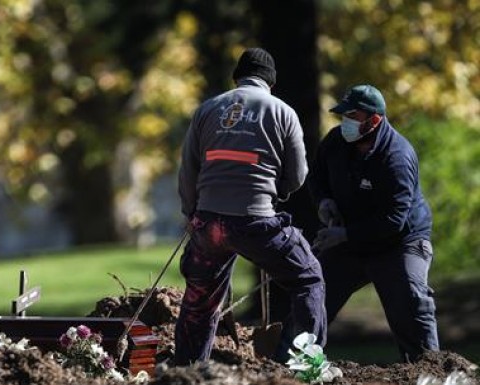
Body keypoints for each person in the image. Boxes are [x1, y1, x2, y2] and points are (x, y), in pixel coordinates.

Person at [175, 48, 327, 365]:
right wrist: (277, 192)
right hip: (256, 222)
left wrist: (193, 213)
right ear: (270, 81)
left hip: (210, 223)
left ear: (237, 78)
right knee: (308, 279)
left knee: (201, 299)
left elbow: (188, 170)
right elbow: (298, 174)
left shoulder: (208, 109)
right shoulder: (283, 112)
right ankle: (309, 367)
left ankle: (186, 372)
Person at [309, 84, 438, 362]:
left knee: (410, 303)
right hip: (349, 240)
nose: (345, 122)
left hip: (400, 243)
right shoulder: (334, 142)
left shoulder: (397, 158)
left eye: (351, 116)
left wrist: (344, 235)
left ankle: (431, 373)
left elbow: (393, 221)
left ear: (374, 120)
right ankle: (293, 366)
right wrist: (324, 202)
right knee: (310, 293)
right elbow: (316, 177)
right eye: (343, 115)